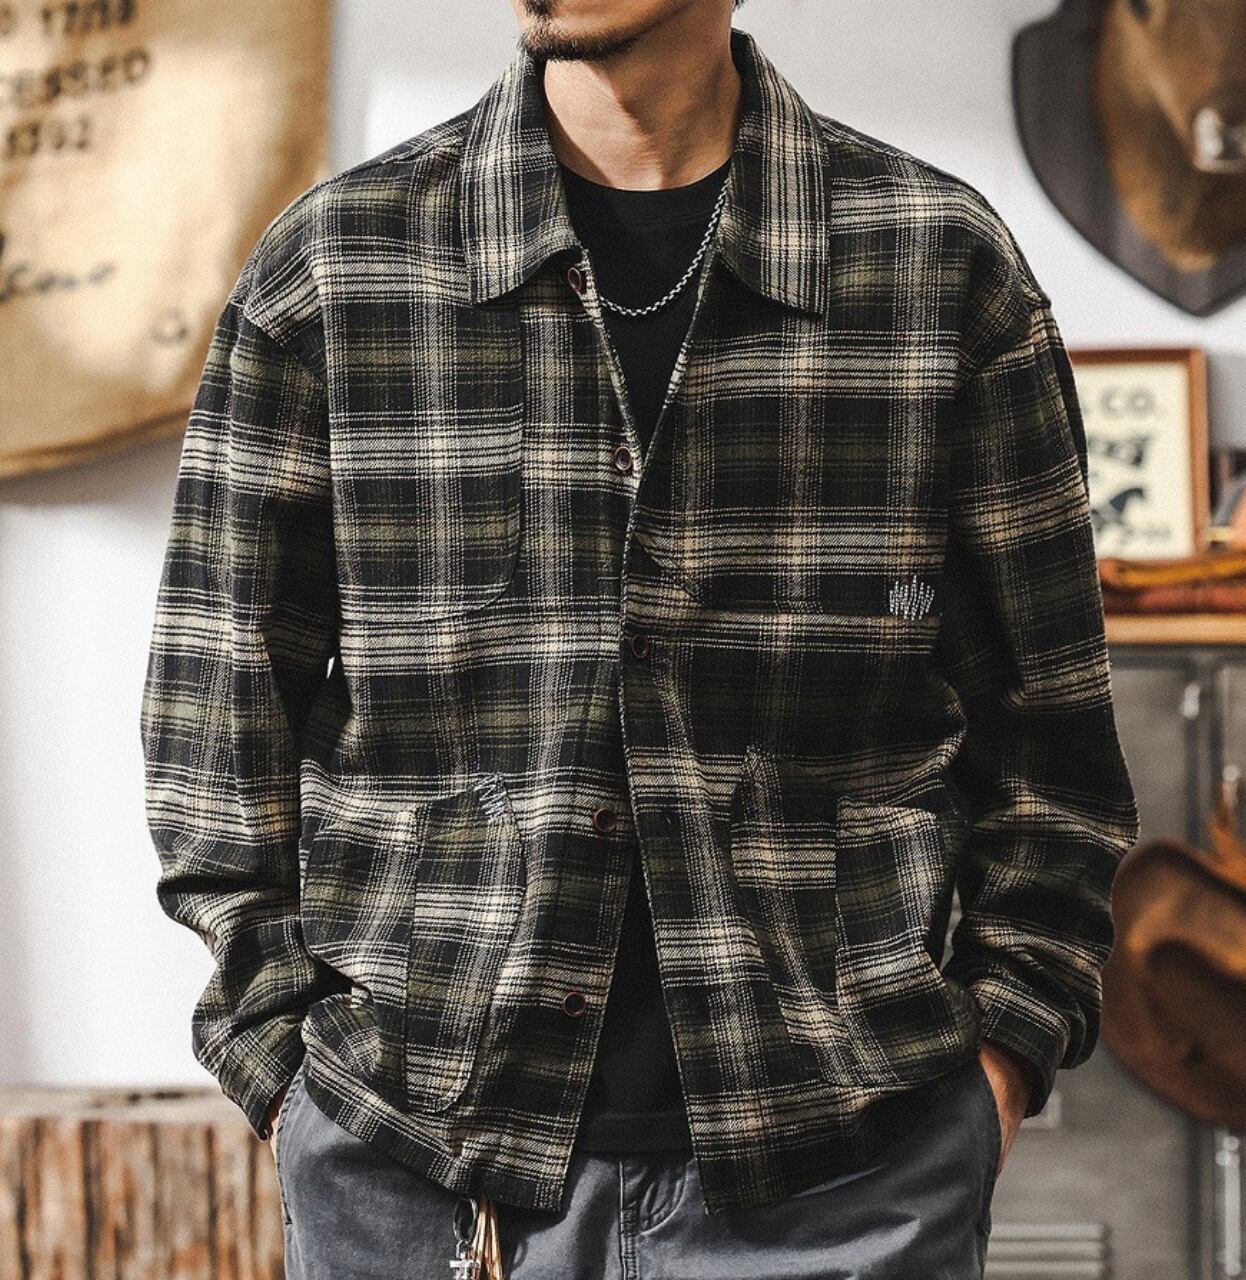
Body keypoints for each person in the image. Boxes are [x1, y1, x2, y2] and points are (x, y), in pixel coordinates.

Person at [139, 2, 1142, 1276]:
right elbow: (215, 710)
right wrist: (278, 1062)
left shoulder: (935, 265)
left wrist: (1000, 1055)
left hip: (848, 1171)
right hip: (416, 1159)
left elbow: (1050, 736)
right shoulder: (338, 268)